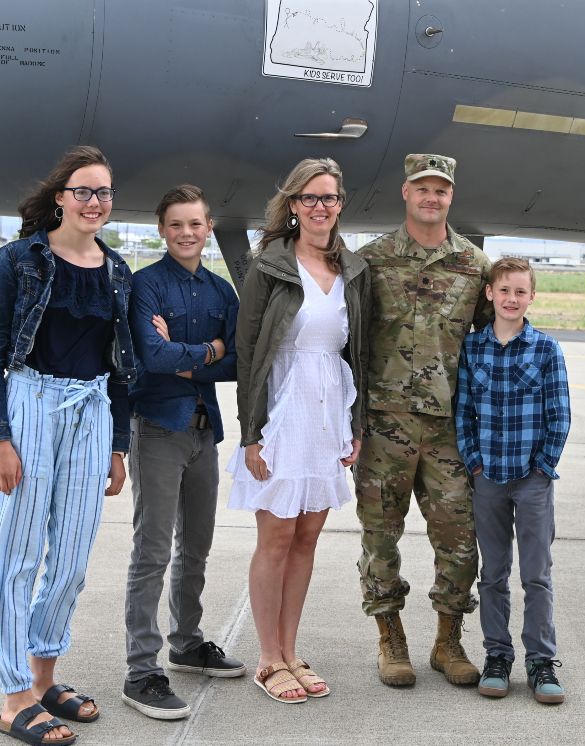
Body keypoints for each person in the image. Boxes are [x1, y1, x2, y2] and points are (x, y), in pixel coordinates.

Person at [0, 145, 135, 745]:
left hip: (91, 412)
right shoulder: (18, 261)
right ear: (60, 197)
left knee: (70, 558)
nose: (95, 202)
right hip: (31, 405)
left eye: (105, 192)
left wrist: (117, 446)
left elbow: (121, 368)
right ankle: (13, 694)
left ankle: (45, 677)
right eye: (84, 191)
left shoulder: (117, 271)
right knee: (17, 555)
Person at [228, 157, 370, 703]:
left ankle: (291, 649)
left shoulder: (353, 270)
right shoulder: (268, 265)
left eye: (329, 198)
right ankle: (268, 658)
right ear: (292, 205)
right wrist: (251, 432)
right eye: (309, 198)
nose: (319, 207)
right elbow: (248, 354)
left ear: (339, 205)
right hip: (282, 405)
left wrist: (355, 424)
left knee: (308, 535)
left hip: (330, 405)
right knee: (277, 535)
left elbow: (358, 352)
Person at [355, 154, 491, 688]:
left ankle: (448, 640)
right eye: (422, 189)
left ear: (451, 196)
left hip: (447, 430)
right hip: (383, 425)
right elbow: (349, 340)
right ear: (405, 193)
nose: (432, 198)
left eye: (441, 190)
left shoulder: (474, 266)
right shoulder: (372, 260)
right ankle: (390, 638)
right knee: (379, 538)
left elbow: (490, 341)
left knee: (459, 538)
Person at [121, 185, 244, 720]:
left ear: (209, 227)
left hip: (204, 431)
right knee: (152, 551)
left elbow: (238, 360)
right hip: (157, 429)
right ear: (161, 229)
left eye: (195, 224)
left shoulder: (222, 293)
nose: (187, 233)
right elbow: (152, 355)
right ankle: (141, 669)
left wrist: (196, 356)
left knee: (196, 547)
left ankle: (187, 643)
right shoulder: (143, 286)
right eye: (176, 224)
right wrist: (208, 351)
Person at [455, 257, 571, 705]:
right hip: (489, 480)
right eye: (504, 291)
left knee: (536, 575)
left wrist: (542, 465)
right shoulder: (473, 349)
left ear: (531, 297)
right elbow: (463, 412)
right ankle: (497, 656)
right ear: (490, 294)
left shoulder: (545, 349)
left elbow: (559, 415)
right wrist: (476, 463)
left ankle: (541, 662)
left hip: (532, 479)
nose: (511, 299)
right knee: (493, 574)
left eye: (520, 292)